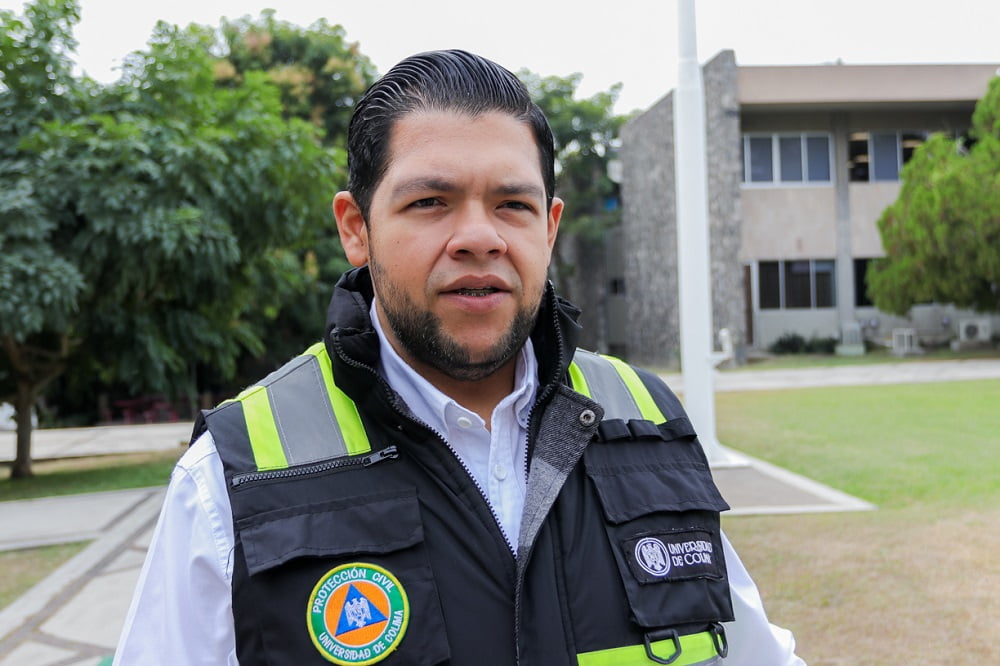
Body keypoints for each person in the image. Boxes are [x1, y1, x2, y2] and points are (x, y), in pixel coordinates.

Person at [114, 49, 804, 665]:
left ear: (549, 226)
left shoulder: (648, 423)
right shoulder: (232, 477)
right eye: (430, 202)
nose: (480, 237)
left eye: (512, 205)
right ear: (357, 230)